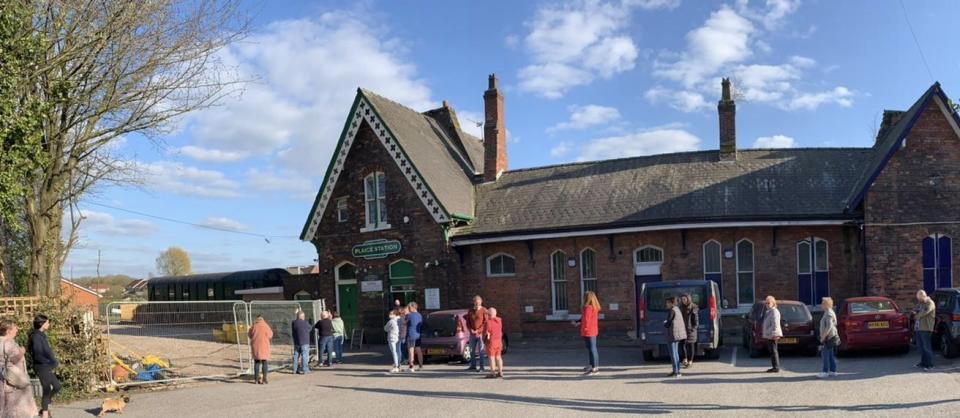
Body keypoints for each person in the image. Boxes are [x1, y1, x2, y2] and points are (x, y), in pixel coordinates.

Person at [1, 319, 38, 418]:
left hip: (4, 378)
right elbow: (13, 358)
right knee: (17, 406)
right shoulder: (9, 342)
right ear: (8, 330)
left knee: (5, 404)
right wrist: (22, 351)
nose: (17, 330)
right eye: (15, 328)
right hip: (14, 378)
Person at [28, 314, 60, 418]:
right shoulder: (36, 336)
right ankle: (45, 413)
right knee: (46, 389)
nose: (49, 324)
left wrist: (53, 362)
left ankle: (43, 408)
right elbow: (37, 354)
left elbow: (46, 351)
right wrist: (48, 362)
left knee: (57, 386)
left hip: (46, 366)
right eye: (47, 322)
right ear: (42, 324)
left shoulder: (41, 335)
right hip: (41, 366)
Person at [575, 291, 601, 376]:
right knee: (593, 349)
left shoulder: (588, 308)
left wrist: (583, 327)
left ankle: (594, 369)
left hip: (588, 331)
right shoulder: (594, 307)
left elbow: (586, 320)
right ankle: (593, 366)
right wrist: (578, 321)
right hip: (593, 330)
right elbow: (584, 318)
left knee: (592, 349)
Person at [913, 290, 936, 371]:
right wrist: (915, 312)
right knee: (921, 347)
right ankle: (923, 363)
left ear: (923, 296)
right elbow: (915, 310)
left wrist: (917, 315)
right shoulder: (920, 303)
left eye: (919, 298)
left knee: (926, 347)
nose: (918, 300)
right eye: (918, 298)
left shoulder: (930, 303)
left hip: (926, 328)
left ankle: (930, 365)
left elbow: (924, 312)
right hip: (919, 327)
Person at [247, 315, 273, 384]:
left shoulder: (254, 326)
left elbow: (249, 335)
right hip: (264, 346)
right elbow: (270, 335)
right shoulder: (266, 325)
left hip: (256, 346)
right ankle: (264, 378)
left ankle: (256, 379)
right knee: (264, 362)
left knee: (257, 362)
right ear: (263, 319)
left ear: (257, 320)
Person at [665, 297, 687, 378]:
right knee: (676, 353)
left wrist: (664, 323)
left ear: (672, 303)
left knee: (673, 353)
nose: (666, 304)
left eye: (667, 303)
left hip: (672, 335)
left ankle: (676, 372)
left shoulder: (672, 310)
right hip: (678, 334)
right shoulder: (677, 309)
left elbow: (668, 322)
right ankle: (677, 371)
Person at [818, 297, 839, 378]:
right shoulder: (827, 312)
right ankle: (833, 371)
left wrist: (823, 337)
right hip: (830, 336)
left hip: (828, 337)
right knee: (830, 354)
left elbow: (829, 327)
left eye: (822, 303)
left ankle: (825, 371)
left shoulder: (829, 313)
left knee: (825, 355)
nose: (821, 305)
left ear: (826, 304)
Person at [465, 295, 488, 372]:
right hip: (472, 334)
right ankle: (473, 365)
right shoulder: (470, 310)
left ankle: (482, 367)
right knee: (471, 350)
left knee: (481, 351)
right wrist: (470, 329)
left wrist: (478, 330)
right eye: (475, 302)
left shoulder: (484, 310)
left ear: (481, 302)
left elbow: (485, 323)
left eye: (478, 302)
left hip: (481, 334)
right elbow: (467, 322)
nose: (476, 304)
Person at [762, 296, 783, 373]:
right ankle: (774, 366)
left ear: (773, 303)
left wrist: (773, 334)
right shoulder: (769, 311)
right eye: (766, 303)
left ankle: (776, 367)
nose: (767, 304)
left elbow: (775, 324)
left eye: (768, 303)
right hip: (769, 334)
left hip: (773, 334)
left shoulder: (774, 312)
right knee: (772, 351)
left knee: (774, 351)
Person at [679, 294, 699, 369]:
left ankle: (690, 361)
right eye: (682, 299)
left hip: (691, 330)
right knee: (683, 344)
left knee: (691, 345)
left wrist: (693, 328)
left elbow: (696, 320)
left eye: (684, 299)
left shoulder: (693, 307)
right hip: (683, 329)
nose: (683, 301)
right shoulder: (681, 307)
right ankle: (685, 359)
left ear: (688, 299)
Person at [483, 307, 504, 379]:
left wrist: (484, 340)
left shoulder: (488, 322)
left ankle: (493, 373)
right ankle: (500, 372)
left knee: (491, 358)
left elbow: (485, 333)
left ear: (489, 314)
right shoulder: (499, 320)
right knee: (498, 357)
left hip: (491, 342)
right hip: (499, 341)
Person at [405, 302, 424, 372]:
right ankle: (421, 366)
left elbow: (404, 323)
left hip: (411, 335)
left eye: (410, 308)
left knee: (411, 351)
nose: (409, 309)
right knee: (419, 350)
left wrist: (406, 315)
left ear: (413, 307)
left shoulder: (409, 315)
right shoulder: (420, 315)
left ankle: (411, 367)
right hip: (418, 335)